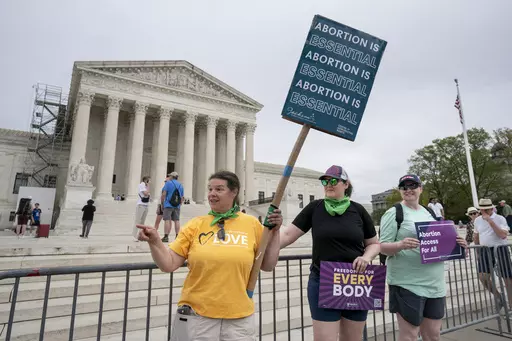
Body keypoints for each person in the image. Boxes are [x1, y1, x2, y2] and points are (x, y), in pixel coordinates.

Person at [137, 170, 283, 341]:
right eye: (210, 189)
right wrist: (155, 242)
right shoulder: (195, 225)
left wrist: (275, 232)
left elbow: (268, 265)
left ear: (234, 192)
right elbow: (168, 264)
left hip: (239, 319)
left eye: (219, 189)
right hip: (198, 317)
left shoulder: (251, 224)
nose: (212, 194)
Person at [279, 165, 380, 341]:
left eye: (334, 181)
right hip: (323, 281)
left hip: (355, 280)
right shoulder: (315, 208)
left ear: (346, 184)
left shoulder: (358, 210)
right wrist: (261, 246)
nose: (328, 184)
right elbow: (287, 235)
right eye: (325, 181)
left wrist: (366, 257)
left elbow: (374, 244)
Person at [379, 174, 467, 341]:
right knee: (410, 335)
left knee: (433, 335)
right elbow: (382, 247)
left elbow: (440, 243)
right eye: (404, 186)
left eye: (413, 185)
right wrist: (400, 245)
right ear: (400, 190)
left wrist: (459, 246)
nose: (408, 190)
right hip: (408, 284)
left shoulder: (428, 212)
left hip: (435, 283)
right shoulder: (394, 213)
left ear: (421, 189)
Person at [474, 198, 512, 308]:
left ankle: (511, 306)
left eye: (487, 209)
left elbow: (502, 235)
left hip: (500, 249)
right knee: (482, 277)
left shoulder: (500, 219)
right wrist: (477, 250)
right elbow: (476, 236)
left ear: (492, 208)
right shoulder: (477, 220)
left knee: (507, 278)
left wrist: (490, 221)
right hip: (485, 250)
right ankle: (499, 297)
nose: (484, 212)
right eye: (482, 210)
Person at [161, 172, 184, 243]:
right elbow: (182, 197)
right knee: (177, 220)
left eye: (170, 176)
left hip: (168, 204)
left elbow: (164, 194)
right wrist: (179, 204)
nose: (169, 177)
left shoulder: (168, 183)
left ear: (172, 177)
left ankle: (166, 236)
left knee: (167, 220)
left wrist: (162, 203)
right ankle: (177, 235)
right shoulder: (180, 185)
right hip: (177, 205)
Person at [132, 176, 151, 241]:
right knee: (138, 221)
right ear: (146, 180)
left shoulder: (145, 186)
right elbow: (145, 193)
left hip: (146, 205)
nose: (150, 182)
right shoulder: (141, 185)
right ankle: (134, 236)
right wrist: (148, 186)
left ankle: (140, 235)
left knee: (142, 222)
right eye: (149, 180)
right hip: (141, 205)